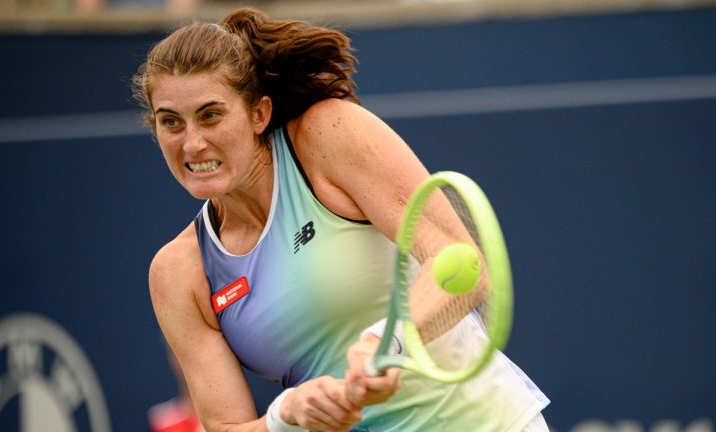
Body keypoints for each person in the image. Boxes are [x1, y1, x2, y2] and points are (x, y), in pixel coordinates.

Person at [133, 7, 550, 431]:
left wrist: (386, 341)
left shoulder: (325, 136)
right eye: (171, 122)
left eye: (210, 115)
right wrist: (285, 415)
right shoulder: (178, 273)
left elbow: (461, 266)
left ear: (259, 114)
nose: (192, 144)